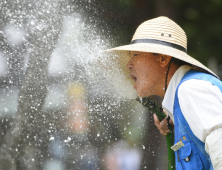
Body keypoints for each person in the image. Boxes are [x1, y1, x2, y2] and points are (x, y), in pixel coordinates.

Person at [103, 16, 222, 169]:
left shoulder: (190, 89)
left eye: (135, 55)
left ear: (163, 58)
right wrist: (177, 121)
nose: (128, 65)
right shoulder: (184, 98)